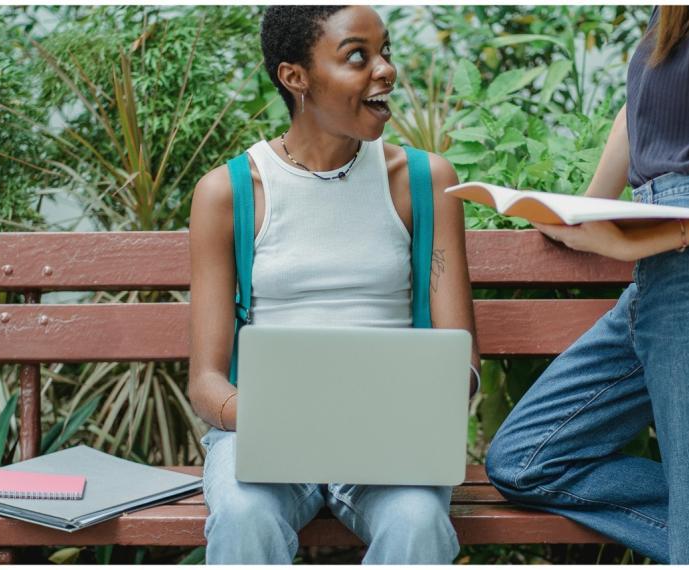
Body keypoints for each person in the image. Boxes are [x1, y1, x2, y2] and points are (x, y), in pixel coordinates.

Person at [485, 5, 689, 565]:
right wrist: (576, 213)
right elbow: (636, 118)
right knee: (525, 459)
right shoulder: (666, 21)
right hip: (658, 274)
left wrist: (636, 243)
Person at [188, 6, 480, 564]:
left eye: (385, 51)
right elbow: (205, 380)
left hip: (391, 446)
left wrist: (419, 402)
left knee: (418, 522)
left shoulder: (423, 182)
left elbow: (463, 362)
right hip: (264, 440)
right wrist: (273, 418)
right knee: (245, 515)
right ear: (294, 77)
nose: (385, 70)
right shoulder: (228, 192)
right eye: (357, 56)